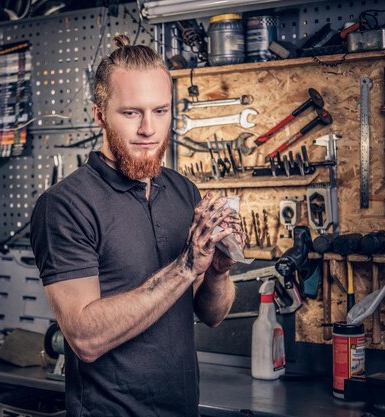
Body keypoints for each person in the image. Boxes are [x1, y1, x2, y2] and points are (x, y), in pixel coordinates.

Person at [30, 34, 245, 417]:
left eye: (160, 111)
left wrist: (217, 270)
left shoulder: (183, 191)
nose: (149, 129)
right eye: (131, 113)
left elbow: (211, 315)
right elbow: (84, 337)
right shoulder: (66, 205)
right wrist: (185, 266)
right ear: (99, 115)